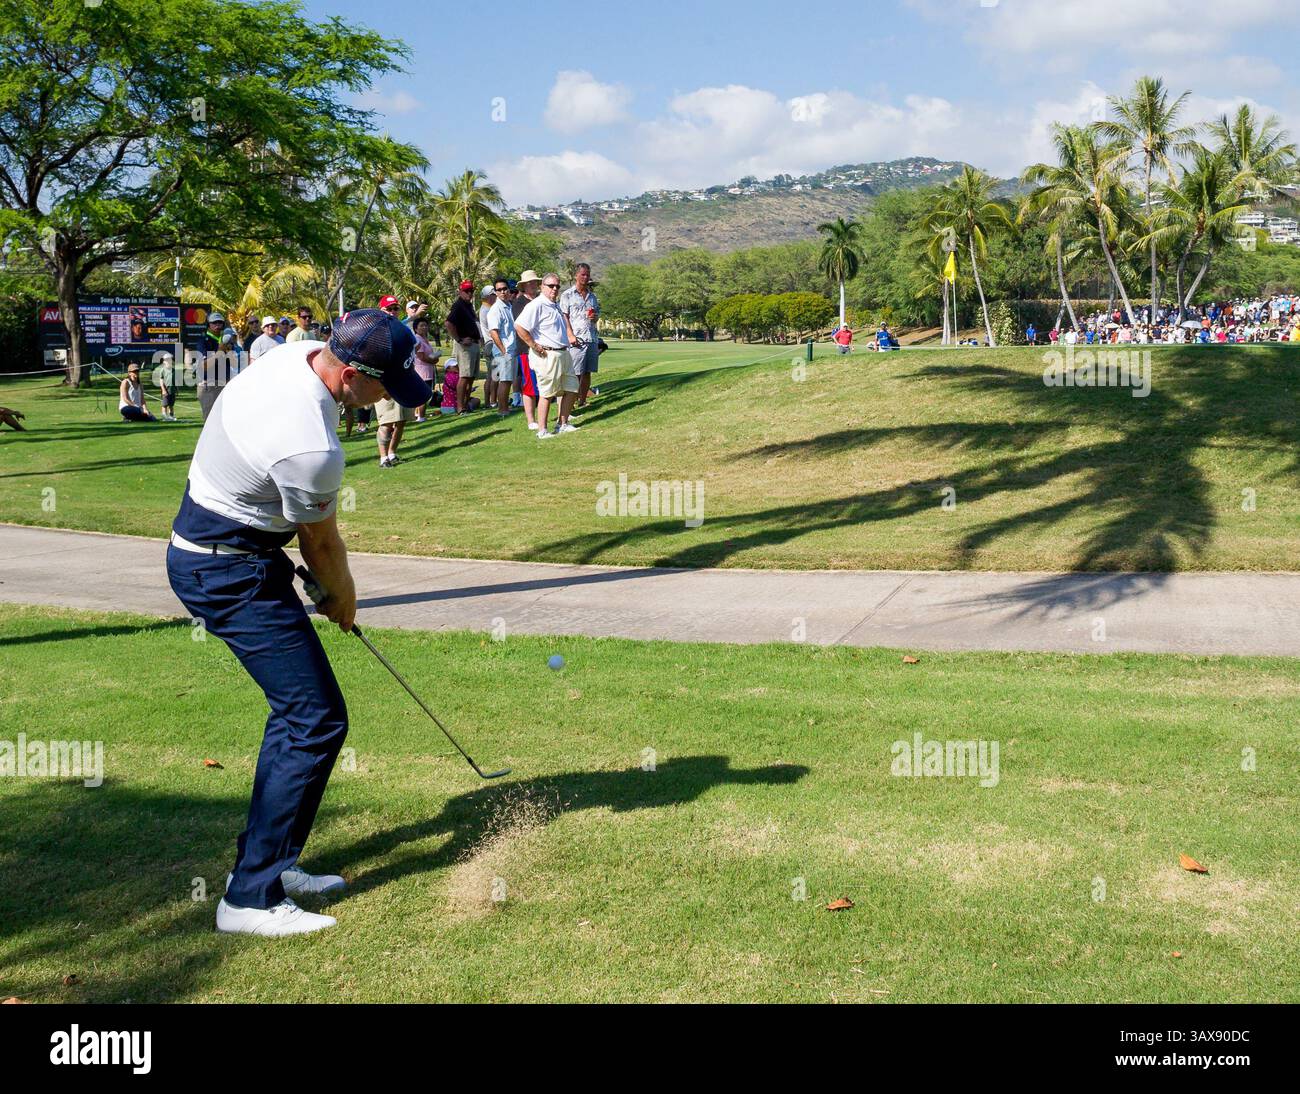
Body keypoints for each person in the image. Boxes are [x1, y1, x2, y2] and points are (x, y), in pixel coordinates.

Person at [166, 309, 429, 937]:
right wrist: (344, 598)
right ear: (350, 373)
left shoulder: (301, 353)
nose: (392, 395)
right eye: (388, 384)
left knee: (303, 714)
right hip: (223, 571)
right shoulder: (312, 448)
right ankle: (249, 899)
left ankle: (271, 867)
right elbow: (324, 549)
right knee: (314, 719)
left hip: (239, 551)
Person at [514, 272, 579, 438]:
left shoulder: (554, 305)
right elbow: (519, 326)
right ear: (542, 287)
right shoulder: (537, 305)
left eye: (557, 286)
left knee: (572, 388)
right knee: (547, 393)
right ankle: (542, 430)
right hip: (548, 355)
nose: (555, 289)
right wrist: (534, 345)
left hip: (563, 352)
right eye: (551, 286)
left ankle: (562, 424)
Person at [560, 263, 600, 411]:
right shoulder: (567, 295)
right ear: (576, 275)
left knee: (588, 371)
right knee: (575, 373)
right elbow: (564, 316)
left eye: (587, 274)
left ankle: (582, 401)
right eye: (583, 274)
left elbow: (595, 316)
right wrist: (570, 334)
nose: (585, 277)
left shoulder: (592, 296)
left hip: (591, 337)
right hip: (576, 339)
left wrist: (595, 317)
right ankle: (570, 404)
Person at [445, 280, 482, 413]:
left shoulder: (468, 306)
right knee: (465, 376)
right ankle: (460, 407)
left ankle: (466, 405)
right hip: (465, 345)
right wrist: (459, 339)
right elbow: (448, 323)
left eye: (471, 291)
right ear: (460, 292)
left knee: (471, 377)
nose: (470, 293)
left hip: (474, 343)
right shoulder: (458, 305)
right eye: (467, 291)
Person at [511, 271, 542, 431]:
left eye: (534, 282)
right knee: (529, 384)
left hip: (543, 346)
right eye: (529, 283)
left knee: (547, 381)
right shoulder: (518, 303)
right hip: (526, 348)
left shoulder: (541, 300)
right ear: (523, 285)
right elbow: (522, 327)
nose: (532, 285)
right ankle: (531, 419)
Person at [485, 276, 519, 417]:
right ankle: (503, 410)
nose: (503, 292)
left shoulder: (508, 306)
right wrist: (504, 351)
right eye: (499, 290)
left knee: (507, 380)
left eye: (505, 289)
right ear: (495, 292)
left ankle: (504, 408)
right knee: (504, 381)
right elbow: (493, 332)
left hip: (511, 348)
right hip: (503, 350)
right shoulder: (496, 309)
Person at [410, 316, 441, 422]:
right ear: (416, 328)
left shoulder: (424, 339)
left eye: (426, 325)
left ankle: (418, 414)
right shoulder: (418, 339)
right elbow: (421, 357)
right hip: (422, 371)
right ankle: (421, 416)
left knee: (422, 393)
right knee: (423, 394)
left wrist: (435, 357)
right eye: (421, 325)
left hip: (427, 370)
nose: (424, 327)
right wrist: (434, 360)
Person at [479, 285, 498, 408]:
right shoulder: (487, 310)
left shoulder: (486, 308)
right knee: (495, 375)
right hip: (491, 343)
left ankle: (488, 401)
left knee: (491, 375)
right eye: (493, 295)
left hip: (488, 343)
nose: (495, 297)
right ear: (487, 296)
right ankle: (492, 401)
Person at [156, 351, 178, 421]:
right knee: (165, 404)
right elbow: (161, 381)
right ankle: (164, 416)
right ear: (164, 361)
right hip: (166, 390)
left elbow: (175, 381)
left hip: (172, 390)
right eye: (167, 360)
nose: (168, 362)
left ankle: (171, 416)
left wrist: (177, 389)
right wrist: (163, 390)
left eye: (170, 360)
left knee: (171, 404)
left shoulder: (174, 370)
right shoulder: (163, 370)